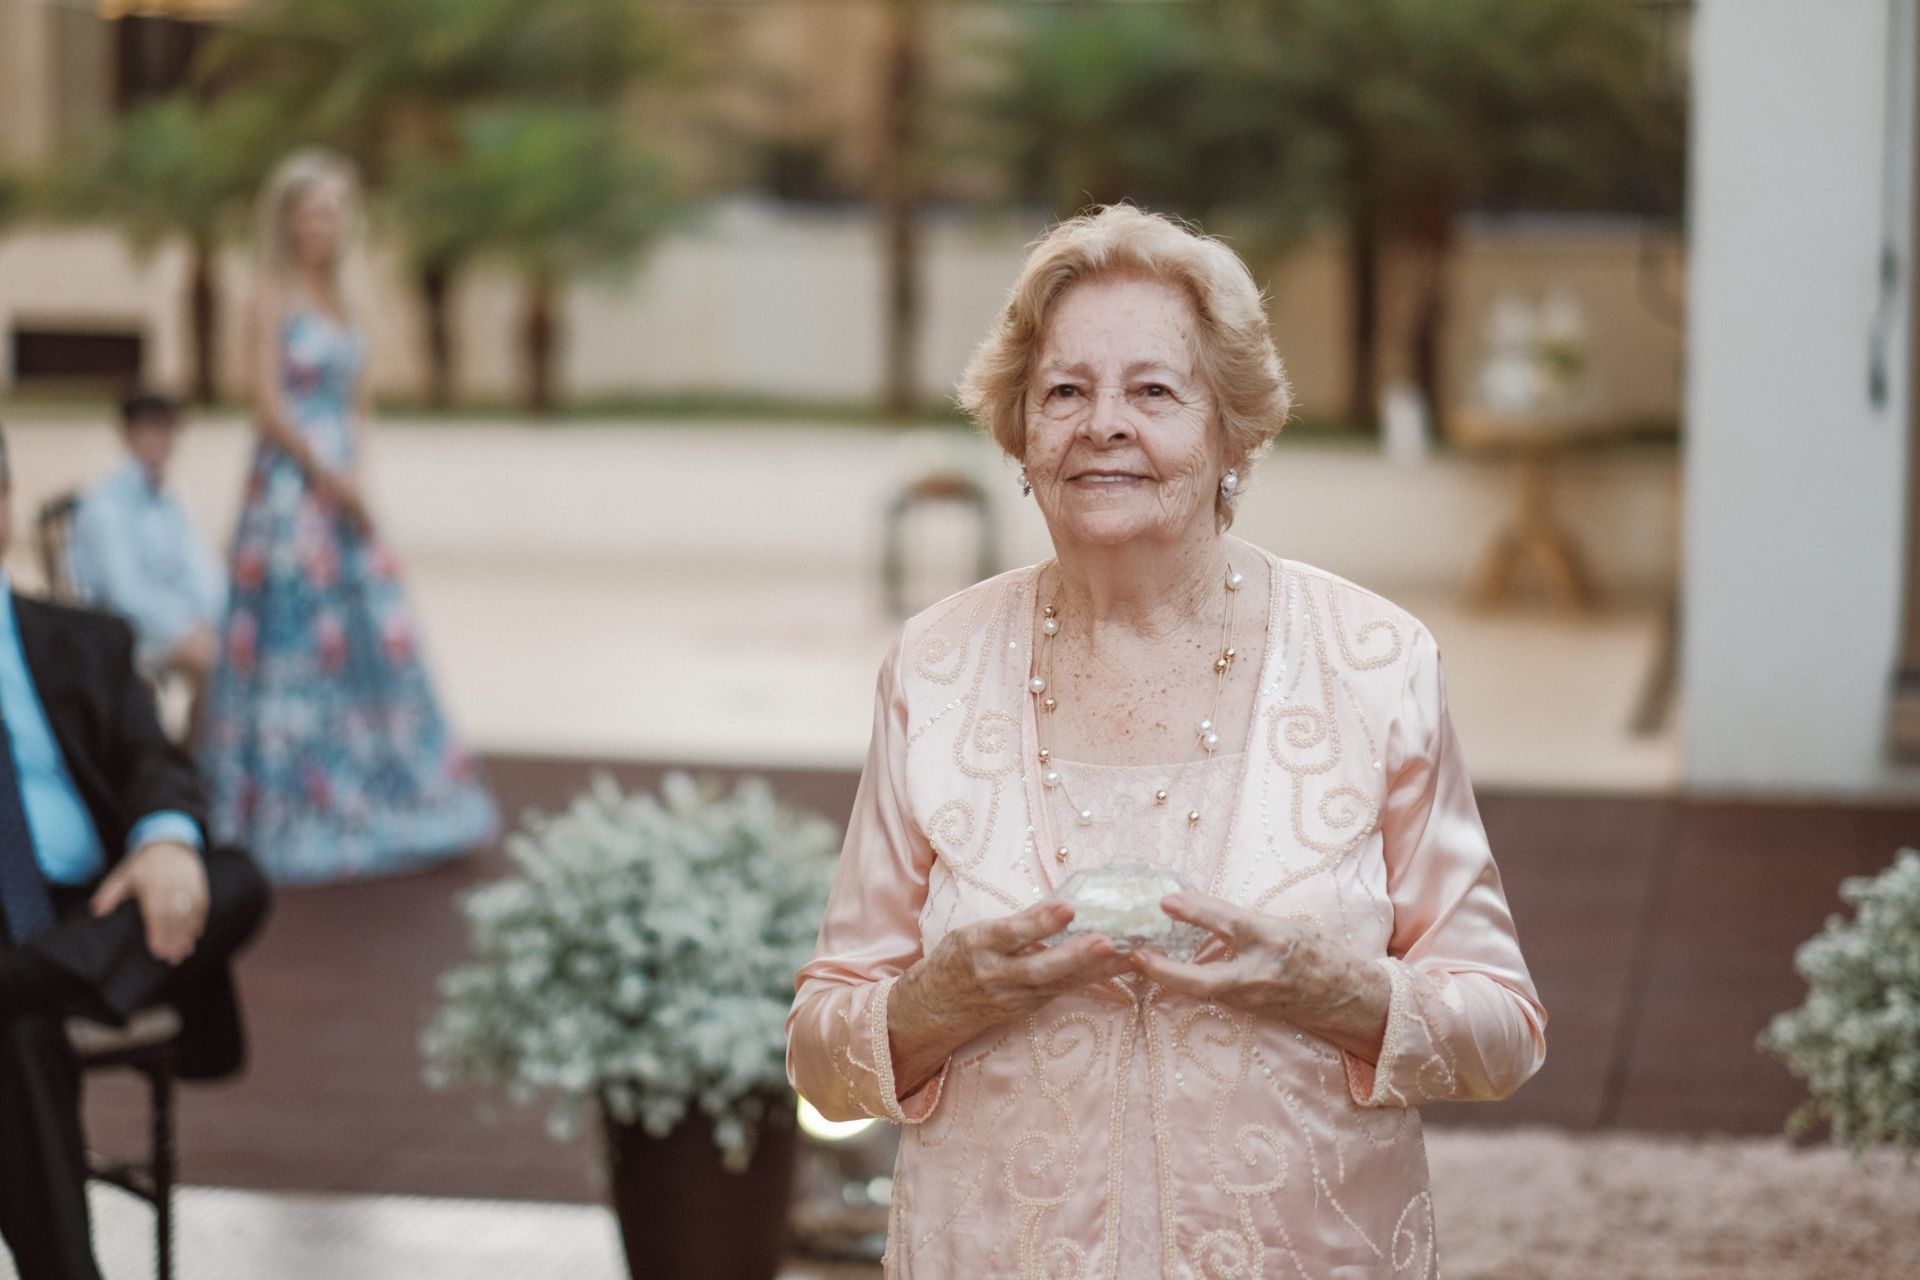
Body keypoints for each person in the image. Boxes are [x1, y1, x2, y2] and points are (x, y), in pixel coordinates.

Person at [787, 206, 1547, 1278]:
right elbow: (822, 1050)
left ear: (1232, 429)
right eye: (1064, 390)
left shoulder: (1373, 660)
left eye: (1153, 390)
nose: (1104, 423)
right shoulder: (935, 665)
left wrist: (1326, 984)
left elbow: (1501, 1027)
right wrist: (937, 999)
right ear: (1019, 434)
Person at [0, 421, 269, 1280]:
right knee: (19, 1032)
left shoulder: (84, 639)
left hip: (110, 906)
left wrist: (163, 844)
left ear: (3, 507)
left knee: (236, 876)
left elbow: (154, 760)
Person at [197, 149, 497, 883]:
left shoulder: (344, 298)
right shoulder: (270, 295)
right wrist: (328, 474)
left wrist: (358, 475)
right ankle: (288, 801)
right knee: (296, 641)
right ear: (288, 218)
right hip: (290, 494)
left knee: (370, 638)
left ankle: (384, 785)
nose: (323, 225)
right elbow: (267, 402)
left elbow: (357, 400)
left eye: (334, 210)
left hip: (344, 496)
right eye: (311, 210)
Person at [67, 386, 226, 740]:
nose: (159, 439)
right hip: (121, 632)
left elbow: (203, 574)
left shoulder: (171, 501)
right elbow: (125, 594)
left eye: (166, 428)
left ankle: (193, 763)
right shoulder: (103, 506)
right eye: (148, 428)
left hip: (172, 627)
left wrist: (215, 620)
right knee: (215, 662)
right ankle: (188, 768)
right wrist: (187, 629)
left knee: (240, 651)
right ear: (126, 434)